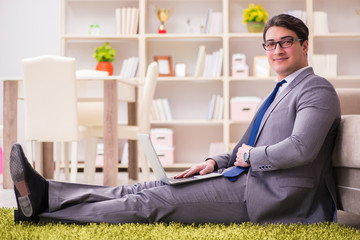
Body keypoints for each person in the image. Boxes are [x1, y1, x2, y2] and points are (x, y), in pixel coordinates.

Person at [10, 13, 340, 225]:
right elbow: (244, 148)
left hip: (271, 197)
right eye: (270, 44)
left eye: (286, 42)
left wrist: (251, 156)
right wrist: (213, 161)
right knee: (143, 186)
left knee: (153, 201)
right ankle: (48, 192)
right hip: (242, 178)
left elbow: (300, 149)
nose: (277, 50)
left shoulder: (316, 89)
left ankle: (46, 214)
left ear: (304, 45)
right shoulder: (280, 90)